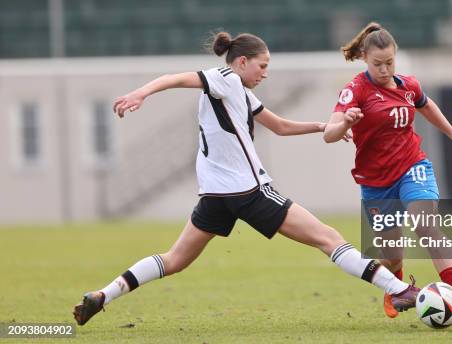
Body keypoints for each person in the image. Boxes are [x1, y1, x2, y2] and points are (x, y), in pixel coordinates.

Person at [72, 31, 421, 326]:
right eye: (262, 65)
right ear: (242, 62)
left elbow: (280, 126)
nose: (265, 73)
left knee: (174, 259)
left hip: (214, 196)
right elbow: (177, 78)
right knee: (328, 238)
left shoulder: (240, 91)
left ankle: (105, 294)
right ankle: (399, 289)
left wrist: (323, 126)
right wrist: (140, 94)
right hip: (249, 191)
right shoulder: (222, 80)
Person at [323, 22, 452, 328]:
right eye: (377, 64)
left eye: (389, 63)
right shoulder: (354, 90)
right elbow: (329, 133)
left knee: (427, 226)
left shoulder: (408, 85)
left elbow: (426, 105)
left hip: (413, 167)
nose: (384, 69)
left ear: (395, 57)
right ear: (365, 59)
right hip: (375, 183)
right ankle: (397, 289)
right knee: (391, 254)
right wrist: (346, 123)